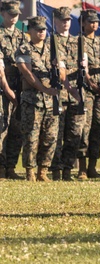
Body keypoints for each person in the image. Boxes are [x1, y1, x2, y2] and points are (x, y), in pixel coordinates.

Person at [14, 15, 63, 181]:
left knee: (50, 137)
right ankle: (30, 171)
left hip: (51, 102)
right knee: (31, 137)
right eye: (38, 30)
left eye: (44, 29)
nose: (42, 32)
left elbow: (62, 74)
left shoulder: (53, 49)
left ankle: (43, 170)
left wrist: (58, 68)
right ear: (30, 31)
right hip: (32, 100)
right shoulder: (24, 49)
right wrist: (44, 89)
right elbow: (27, 74)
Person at [51, 6, 85, 180]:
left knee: (74, 134)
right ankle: (55, 170)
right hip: (59, 95)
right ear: (55, 21)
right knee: (56, 134)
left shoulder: (78, 41)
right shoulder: (51, 42)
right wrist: (70, 89)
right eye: (62, 20)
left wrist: (83, 69)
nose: (65, 23)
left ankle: (67, 169)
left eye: (68, 20)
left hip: (76, 95)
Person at [74, 9, 100, 180]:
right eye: (90, 21)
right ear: (83, 23)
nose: (94, 24)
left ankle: (93, 166)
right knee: (84, 128)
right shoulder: (79, 42)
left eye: (96, 22)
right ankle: (82, 168)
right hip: (85, 90)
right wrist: (90, 83)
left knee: (98, 128)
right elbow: (82, 68)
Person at [0, 0, 26, 180]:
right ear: (3, 14)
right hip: (3, 88)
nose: (13, 18)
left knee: (17, 130)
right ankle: (0, 168)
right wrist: (8, 90)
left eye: (16, 15)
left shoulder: (22, 36)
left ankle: (10, 167)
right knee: (2, 128)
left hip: (21, 87)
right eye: (10, 15)